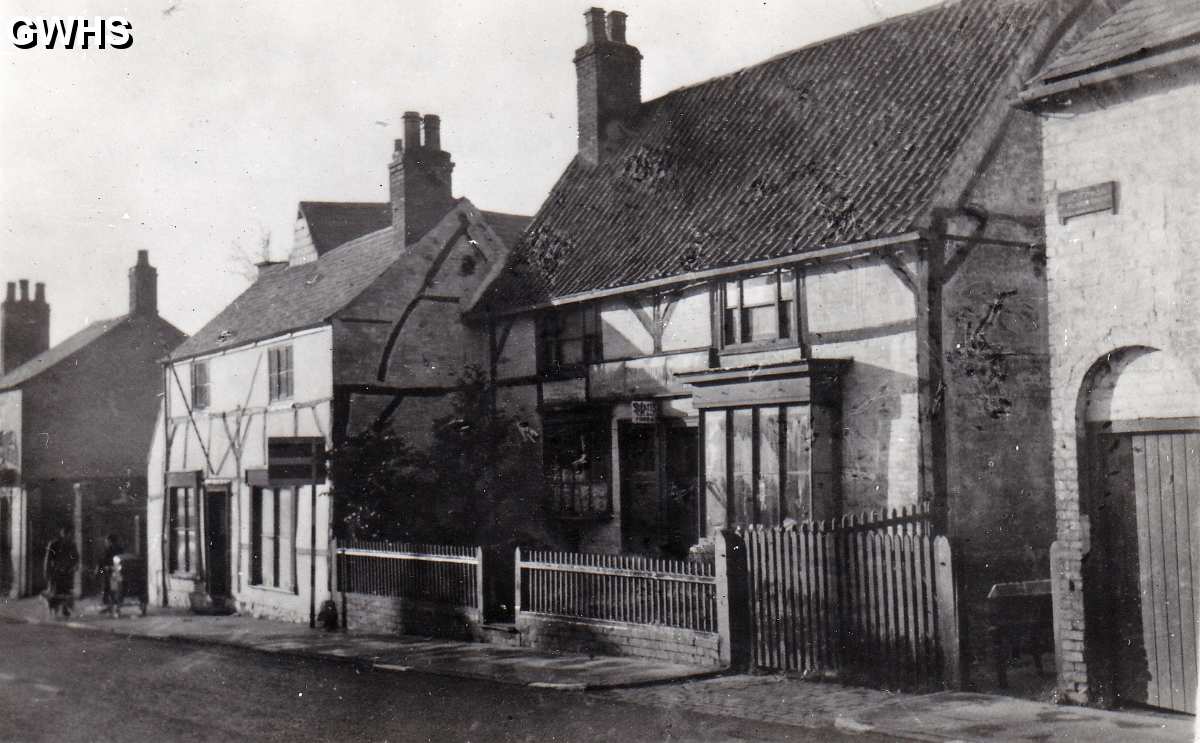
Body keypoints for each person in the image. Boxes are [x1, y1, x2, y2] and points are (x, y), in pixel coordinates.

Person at [43, 526, 79, 618]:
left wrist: (75, 566)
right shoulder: (54, 544)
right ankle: (54, 611)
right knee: (55, 592)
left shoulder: (72, 544)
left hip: (67, 572)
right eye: (66, 533)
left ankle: (65, 609)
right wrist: (47, 572)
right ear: (62, 534)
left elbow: (76, 557)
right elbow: (48, 559)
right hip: (56, 572)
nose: (68, 536)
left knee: (66, 592)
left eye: (69, 534)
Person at [97, 534, 123, 611]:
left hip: (109, 572)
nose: (106, 543)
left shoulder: (108, 550)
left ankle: (110, 605)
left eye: (107, 541)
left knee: (107, 588)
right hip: (119, 571)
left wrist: (100, 572)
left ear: (110, 541)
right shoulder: (120, 549)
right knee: (115, 589)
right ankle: (113, 605)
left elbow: (102, 562)